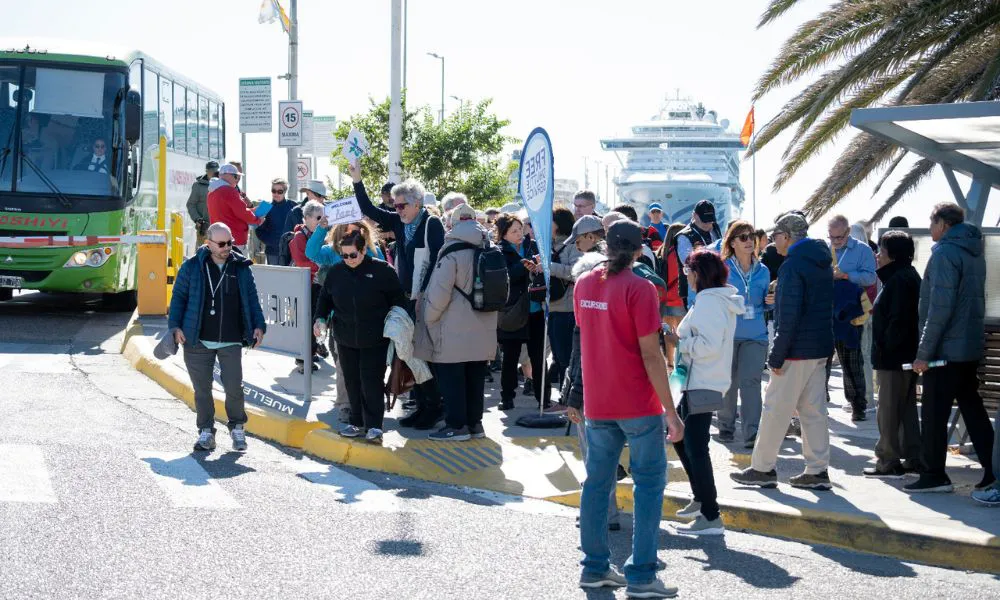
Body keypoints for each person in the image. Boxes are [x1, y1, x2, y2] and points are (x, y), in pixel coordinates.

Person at [568, 219, 684, 598]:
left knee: (597, 485)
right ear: (639, 251)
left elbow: (587, 336)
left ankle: (595, 568)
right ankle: (642, 575)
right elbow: (651, 356)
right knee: (648, 485)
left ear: (605, 245)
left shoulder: (584, 283)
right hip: (637, 403)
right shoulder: (640, 288)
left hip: (599, 403)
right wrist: (671, 410)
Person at [730, 212, 834, 490]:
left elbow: (788, 315)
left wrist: (776, 356)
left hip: (796, 351)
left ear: (787, 236)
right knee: (814, 412)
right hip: (819, 348)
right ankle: (817, 470)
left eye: (776, 235)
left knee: (776, 409)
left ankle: (762, 469)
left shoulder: (792, 266)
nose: (772, 241)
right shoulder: (822, 261)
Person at [907, 202, 995, 494]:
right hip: (967, 348)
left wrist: (924, 353)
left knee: (933, 414)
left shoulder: (945, 253)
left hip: (944, 353)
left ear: (943, 224)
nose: (930, 229)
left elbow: (940, 309)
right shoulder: (974, 253)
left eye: (932, 223)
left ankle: (933, 475)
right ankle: (993, 469)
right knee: (973, 410)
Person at [350, 161, 445, 428]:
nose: (397, 209)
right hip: (405, 297)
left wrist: (422, 296)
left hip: (426, 299)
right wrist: (357, 179)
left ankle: (434, 406)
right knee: (408, 352)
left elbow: (437, 263)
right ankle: (424, 404)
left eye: (402, 205)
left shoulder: (431, 223)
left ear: (417, 203)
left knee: (424, 354)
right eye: (395, 204)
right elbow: (368, 209)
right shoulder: (400, 222)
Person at [167, 222, 266, 452]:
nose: (227, 247)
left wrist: (259, 325)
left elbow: (252, 299)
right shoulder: (192, 267)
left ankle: (238, 428)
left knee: (234, 388)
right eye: (221, 244)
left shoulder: (241, 267)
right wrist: (175, 327)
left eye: (230, 242)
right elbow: (178, 298)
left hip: (231, 338)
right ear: (208, 243)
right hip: (197, 339)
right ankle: (206, 432)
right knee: (202, 389)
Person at [665, 249, 742, 535]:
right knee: (682, 440)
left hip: (701, 381)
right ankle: (701, 501)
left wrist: (678, 341)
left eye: (687, 271)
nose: (685, 276)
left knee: (695, 447)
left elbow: (709, 346)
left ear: (697, 273)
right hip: (697, 381)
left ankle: (711, 515)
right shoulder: (712, 300)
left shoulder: (710, 303)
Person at [314, 229, 407, 445]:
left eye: (353, 255)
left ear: (364, 250)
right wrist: (320, 319)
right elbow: (324, 299)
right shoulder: (336, 272)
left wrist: (395, 325)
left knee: (371, 382)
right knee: (352, 381)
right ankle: (355, 421)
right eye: (344, 256)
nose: (349, 260)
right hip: (345, 337)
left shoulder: (382, 271)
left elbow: (398, 300)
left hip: (375, 338)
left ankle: (374, 425)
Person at [414, 218, 498, 440]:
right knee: (475, 378)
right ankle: (475, 425)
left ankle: (455, 425)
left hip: (452, 328)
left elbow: (439, 293)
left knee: (452, 379)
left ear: (452, 228)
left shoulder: (452, 253)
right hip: (484, 325)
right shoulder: (488, 249)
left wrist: (428, 318)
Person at [306, 219, 384, 423]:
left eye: (357, 231)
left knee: (367, 368)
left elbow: (387, 281)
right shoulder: (332, 252)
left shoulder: (374, 253)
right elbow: (311, 252)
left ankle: (364, 406)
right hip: (340, 320)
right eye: (348, 231)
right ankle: (346, 404)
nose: (353, 235)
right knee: (343, 364)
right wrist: (322, 227)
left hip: (369, 322)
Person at [864, 230, 922, 478]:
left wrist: (886, 348)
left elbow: (898, 321)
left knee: (888, 410)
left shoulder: (898, 280)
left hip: (894, 359)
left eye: (882, 251)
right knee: (905, 409)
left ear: (893, 255)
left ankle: (887, 460)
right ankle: (912, 456)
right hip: (904, 356)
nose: (877, 255)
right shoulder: (906, 276)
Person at [717, 220, 771, 448]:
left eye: (752, 237)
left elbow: (764, 304)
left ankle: (752, 432)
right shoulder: (723, 269)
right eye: (743, 237)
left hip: (756, 335)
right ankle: (726, 427)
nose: (749, 241)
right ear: (732, 242)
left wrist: (770, 302)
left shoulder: (764, 270)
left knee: (751, 382)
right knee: (728, 383)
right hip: (728, 334)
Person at [825, 214, 876, 421]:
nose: (836, 241)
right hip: (826, 311)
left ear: (848, 232)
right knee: (822, 361)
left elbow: (871, 277)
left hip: (851, 312)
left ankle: (858, 405)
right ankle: (820, 402)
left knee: (852, 360)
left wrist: (846, 276)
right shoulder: (825, 251)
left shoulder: (863, 250)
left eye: (839, 237)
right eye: (832, 237)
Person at [495, 213, 549, 409]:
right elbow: (504, 277)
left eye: (521, 229)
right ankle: (507, 398)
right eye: (514, 231)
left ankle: (543, 398)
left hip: (535, 309)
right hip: (512, 311)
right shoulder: (499, 251)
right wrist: (524, 267)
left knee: (538, 356)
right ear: (503, 234)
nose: (520, 234)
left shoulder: (533, 246)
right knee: (510, 357)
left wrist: (538, 266)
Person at [547, 207, 584, 394]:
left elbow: (575, 272)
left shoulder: (573, 245)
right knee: (558, 356)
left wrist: (549, 267)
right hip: (552, 307)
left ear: (559, 224)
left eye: (551, 221)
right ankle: (563, 397)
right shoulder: (547, 244)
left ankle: (567, 398)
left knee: (566, 357)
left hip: (568, 308)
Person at [289, 200, 325, 373]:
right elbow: (301, 261)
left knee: (315, 321)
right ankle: (303, 360)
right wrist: (323, 265)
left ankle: (311, 352)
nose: (321, 220)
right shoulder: (299, 237)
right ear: (307, 218)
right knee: (306, 322)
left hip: (317, 284)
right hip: (305, 286)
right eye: (318, 217)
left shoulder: (318, 235)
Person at [675, 200, 722, 307]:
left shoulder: (715, 228)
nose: (708, 224)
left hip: (715, 285)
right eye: (705, 221)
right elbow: (689, 262)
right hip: (694, 289)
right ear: (695, 216)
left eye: (710, 220)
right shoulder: (684, 236)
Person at [206, 164, 261, 253]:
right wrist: (257, 219)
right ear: (228, 175)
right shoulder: (229, 191)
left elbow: (229, 212)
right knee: (239, 266)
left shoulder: (212, 191)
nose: (237, 180)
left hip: (218, 240)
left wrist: (252, 211)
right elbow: (242, 213)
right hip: (234, 240)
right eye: (236, 176)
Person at [656, 222, 686, 371]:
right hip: (679, 300)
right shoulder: (680, 253)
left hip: (665, 300)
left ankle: (669, 364)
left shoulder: (661, 252)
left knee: (668, 333)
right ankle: (680, 365)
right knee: (681, 334)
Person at [254, 177, 295, 265]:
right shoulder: (264, 207)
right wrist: (271, 242)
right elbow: (258, 230)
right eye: (273, 190)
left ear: (285, 192)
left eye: (279, 191)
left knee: (291, 278)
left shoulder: (293, 206)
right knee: (274, 278)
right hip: (272, 252)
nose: (276, 193)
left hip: (291, 251)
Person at [187, 161, 218, 248]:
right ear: (207, 171)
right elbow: (190, 204)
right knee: (202, 254)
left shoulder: (224, 185)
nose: (214, 173)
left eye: (216, 171)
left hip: (220, 227)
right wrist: (197, 219)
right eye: (212, 171)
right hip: (204, 228)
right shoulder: (198, 186)